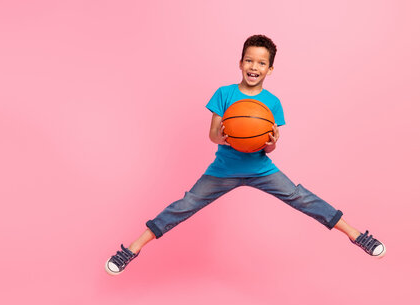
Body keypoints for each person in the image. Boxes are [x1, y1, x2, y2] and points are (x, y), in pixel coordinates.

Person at [105, 34, 386, 275]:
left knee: (301, 196)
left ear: (270, 69)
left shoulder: (272, 103)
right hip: (223, 170)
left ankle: (357, 235)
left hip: (260, 169)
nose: (254, 67)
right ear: (241, 63)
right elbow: (213, 136)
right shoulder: (224, 94)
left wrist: (272, 142)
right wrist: (228, 135)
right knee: (185, 205)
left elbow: (268, 146)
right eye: (249, 60)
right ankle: (132, 249)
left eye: (261, 63)